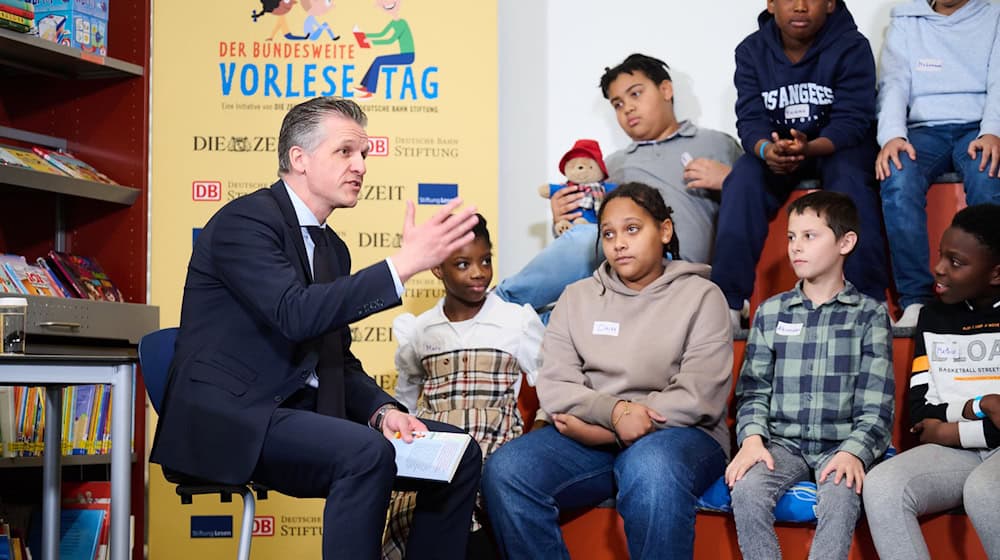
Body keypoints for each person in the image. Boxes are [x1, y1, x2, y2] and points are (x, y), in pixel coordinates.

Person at [149, 96, 483, 560]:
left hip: (300, 413)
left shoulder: (332, 249)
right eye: (345, 152)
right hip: (233, 416)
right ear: (298, 159)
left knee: (457, 453)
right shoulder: (243, 222)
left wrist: (382, 412)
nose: (361, 165)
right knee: (365, 454)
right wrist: (402, 265)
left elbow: (336, 359)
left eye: (364, 154)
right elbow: (295, 312)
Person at [483, 182, 734, 559]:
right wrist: (616, 416)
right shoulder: (577, 297)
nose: (619, 243)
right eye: (608, 234)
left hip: (682, 435)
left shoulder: (702, 296)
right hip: (592, 434)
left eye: (632, 229)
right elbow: (557, 385)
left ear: (664, 231)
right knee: (507, 470)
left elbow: (698, 395)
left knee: (650, 466)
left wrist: (614, 429)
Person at [495, 53, 741, 315]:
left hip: (684, 274)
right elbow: (593, 239)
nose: (628, 108)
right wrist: (562, 223)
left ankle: (493, 307)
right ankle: (497, 309)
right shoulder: (612, 167)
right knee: (555, 313)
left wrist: (731, 181)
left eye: (636, 94)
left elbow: (761, 203)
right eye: (618, 104)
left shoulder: (717, 145)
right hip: (626, 275)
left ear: (666, 89)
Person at [726, 191, 894, 560]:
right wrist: (752, 439)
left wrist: (854, 452)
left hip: (841, 442)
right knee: (747, 488)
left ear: (845, 242)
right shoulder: (770, 313)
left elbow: (877, 406)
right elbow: (753, 391)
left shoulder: (868, 315)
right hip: (783, 444)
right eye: (791, 237)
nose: (795, 247)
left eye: (809, 236)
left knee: (840, 492)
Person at [711, 0, 889, 331]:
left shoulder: (852, 46)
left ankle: (869, 299)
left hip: (837, 147)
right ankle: (730, 302)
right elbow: (750, 119)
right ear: (771, 4)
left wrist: (810, 148)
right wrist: (767, 150)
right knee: (742, 180)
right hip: (779, 149)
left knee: (849, 179)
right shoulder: (751, 51)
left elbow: (854, 119)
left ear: (831, 4)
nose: (801, 6)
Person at [382, 214, 544, 560]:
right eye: (462, 264)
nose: (479, 272)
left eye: (486, 260)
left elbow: (554, 385)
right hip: (437, 453)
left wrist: (536, 438)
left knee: (483, 532)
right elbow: (406, 400)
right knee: (418, 524)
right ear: (437, 269)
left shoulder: (517, 321)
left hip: (497, 449)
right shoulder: (421, 330)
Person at [863, 204, 1000, 560]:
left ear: (995, 273)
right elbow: (923, 417)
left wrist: (949, 428)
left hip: (983, 453)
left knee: (985, 489)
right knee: (882, 484)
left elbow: (942, 424)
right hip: (959, 452)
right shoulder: (934, 316)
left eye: (956, 262)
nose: (938, 268)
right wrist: (981, 406)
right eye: (941, 255)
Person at [875, 0, 1000, 328]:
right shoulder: (906, 18)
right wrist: (892, 136)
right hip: (924, 131)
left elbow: (999, 80)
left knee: (988, 174)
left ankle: (988, 296)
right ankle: (916, 299)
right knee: (897, 171)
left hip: (977, 125)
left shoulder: (994, 13)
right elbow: (894, 84)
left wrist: (992, 132)